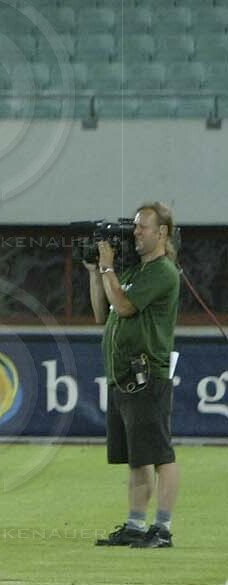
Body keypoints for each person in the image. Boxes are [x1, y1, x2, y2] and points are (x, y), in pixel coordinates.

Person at [92, 202, 181, 549]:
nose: (135, 232)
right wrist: (95, 272)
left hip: (147, 375)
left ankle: (163, 528)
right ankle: (135, 524)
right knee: (137, 456)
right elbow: (103, 313)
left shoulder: (162, 271)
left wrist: (107, 267)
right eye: (135, 226)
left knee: (160, 454)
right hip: (124, 375)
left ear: (162, 232)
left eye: (143, 226)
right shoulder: (133, 272)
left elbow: (126, 307)